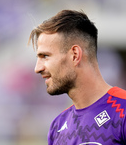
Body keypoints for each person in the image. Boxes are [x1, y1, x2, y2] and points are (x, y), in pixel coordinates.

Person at [28, 10, 126, 145]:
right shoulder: (57, 126)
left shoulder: (123, 110)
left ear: (75, 55)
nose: (37, 68)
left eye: (45, 56)